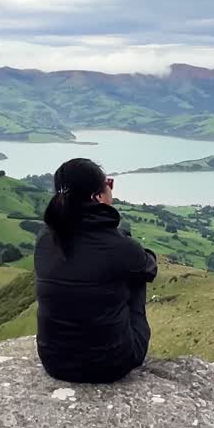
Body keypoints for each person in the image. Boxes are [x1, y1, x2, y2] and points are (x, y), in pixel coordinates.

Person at [34, 158, 158, 383]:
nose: (110, 189)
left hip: (54, 361)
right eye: (108, 184)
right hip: (111, 364)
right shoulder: (118, 246)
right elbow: (150, 267)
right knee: (137, 275)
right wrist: (124, 240)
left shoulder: (45, 238)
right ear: (98, 197)